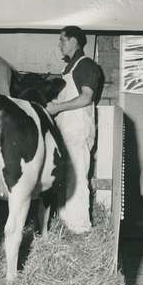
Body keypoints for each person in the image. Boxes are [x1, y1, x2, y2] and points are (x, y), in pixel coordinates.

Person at [46, 25, 103, 233]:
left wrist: (57, 107)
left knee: (77, 180)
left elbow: (86, 98)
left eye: (62, 39)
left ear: (74, 41)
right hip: (65, 132)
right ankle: (66, 225)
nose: (59, 44)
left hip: (77, 132)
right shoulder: (69, 68)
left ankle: (80, 228)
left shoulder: (86, 65)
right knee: (65, 181)